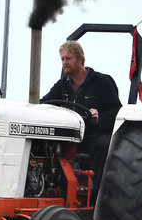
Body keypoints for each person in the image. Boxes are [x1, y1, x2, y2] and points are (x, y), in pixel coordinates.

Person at [41, 40, 122, 203]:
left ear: (80, 60)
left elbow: (117, 111)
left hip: (94, 135)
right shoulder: (62, 84)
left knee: (104, 146)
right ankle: (49, 192)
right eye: (62, 59)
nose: (64, 63)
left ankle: (99, 199)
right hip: (71, 136)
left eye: (68, 59)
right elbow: (44, 103)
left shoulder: (101, 82)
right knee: (45, 146)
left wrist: (99, 118)